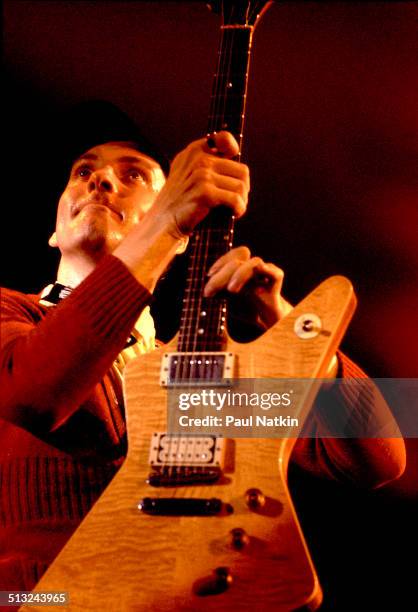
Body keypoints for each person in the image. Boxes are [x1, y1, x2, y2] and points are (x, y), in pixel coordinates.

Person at [0, 108, 406, 592]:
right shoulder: (11, 314)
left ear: (183, 240)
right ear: (53, 229)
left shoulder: (200, 380)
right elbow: (33, 390)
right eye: (84, 172)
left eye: (133, 175)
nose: (102, 179)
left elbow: (376, 459)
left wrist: (287, 325)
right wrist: (165, 222)